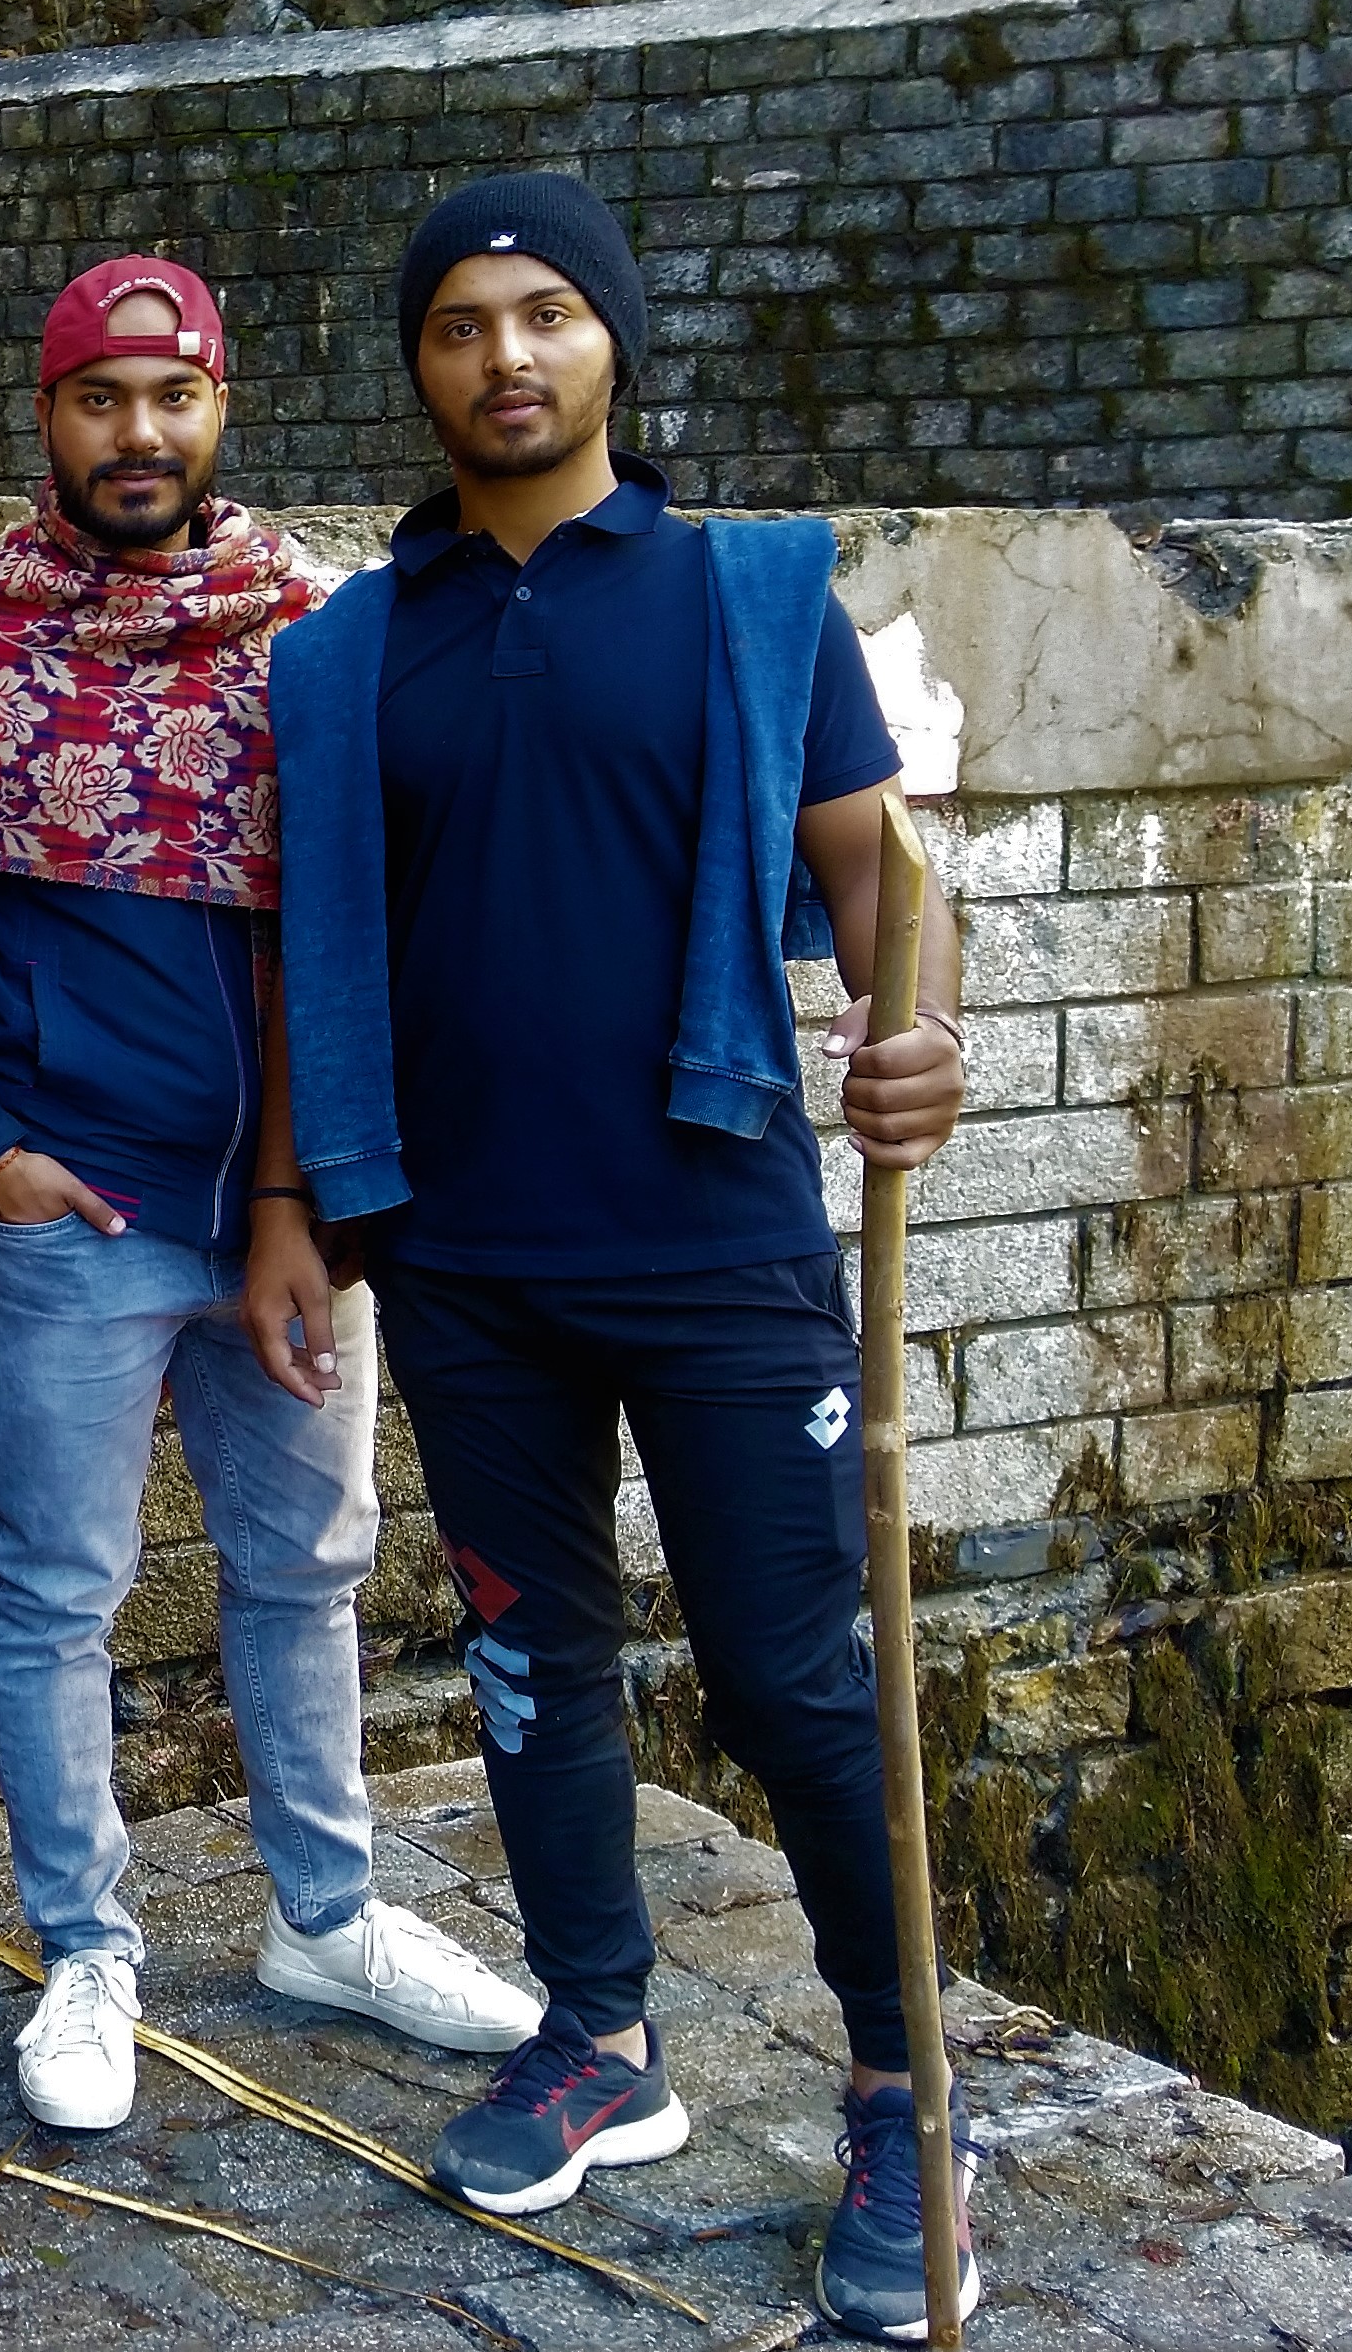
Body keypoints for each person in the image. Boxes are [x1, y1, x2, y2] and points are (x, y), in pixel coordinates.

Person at [263, 173, 972, 2341]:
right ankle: (598, 2033)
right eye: (460, 321)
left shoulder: (754, 599)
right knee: (525, 1661)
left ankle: (902, 2088)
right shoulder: (347, 650)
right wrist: (290, 1205)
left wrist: (925, 1034)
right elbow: (307, 952)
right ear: (417, 366)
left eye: (548, 310)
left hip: (715, 1233)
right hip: (463, 1254)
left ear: (614, 343)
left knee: (792, 1676)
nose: (506, 353)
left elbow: (882, 878)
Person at [0, 254, 542, 2137]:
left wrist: (338, 1181)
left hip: (297, 1214)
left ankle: (327, 1913)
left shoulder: (317, 638)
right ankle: (86, 1946)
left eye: (172, 395)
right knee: (56, 1584)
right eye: (98, 398)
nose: (136, 433)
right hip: (78, 1212)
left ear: (221, 407)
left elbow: (384, 918)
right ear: (46, 414)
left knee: (309, 1563)